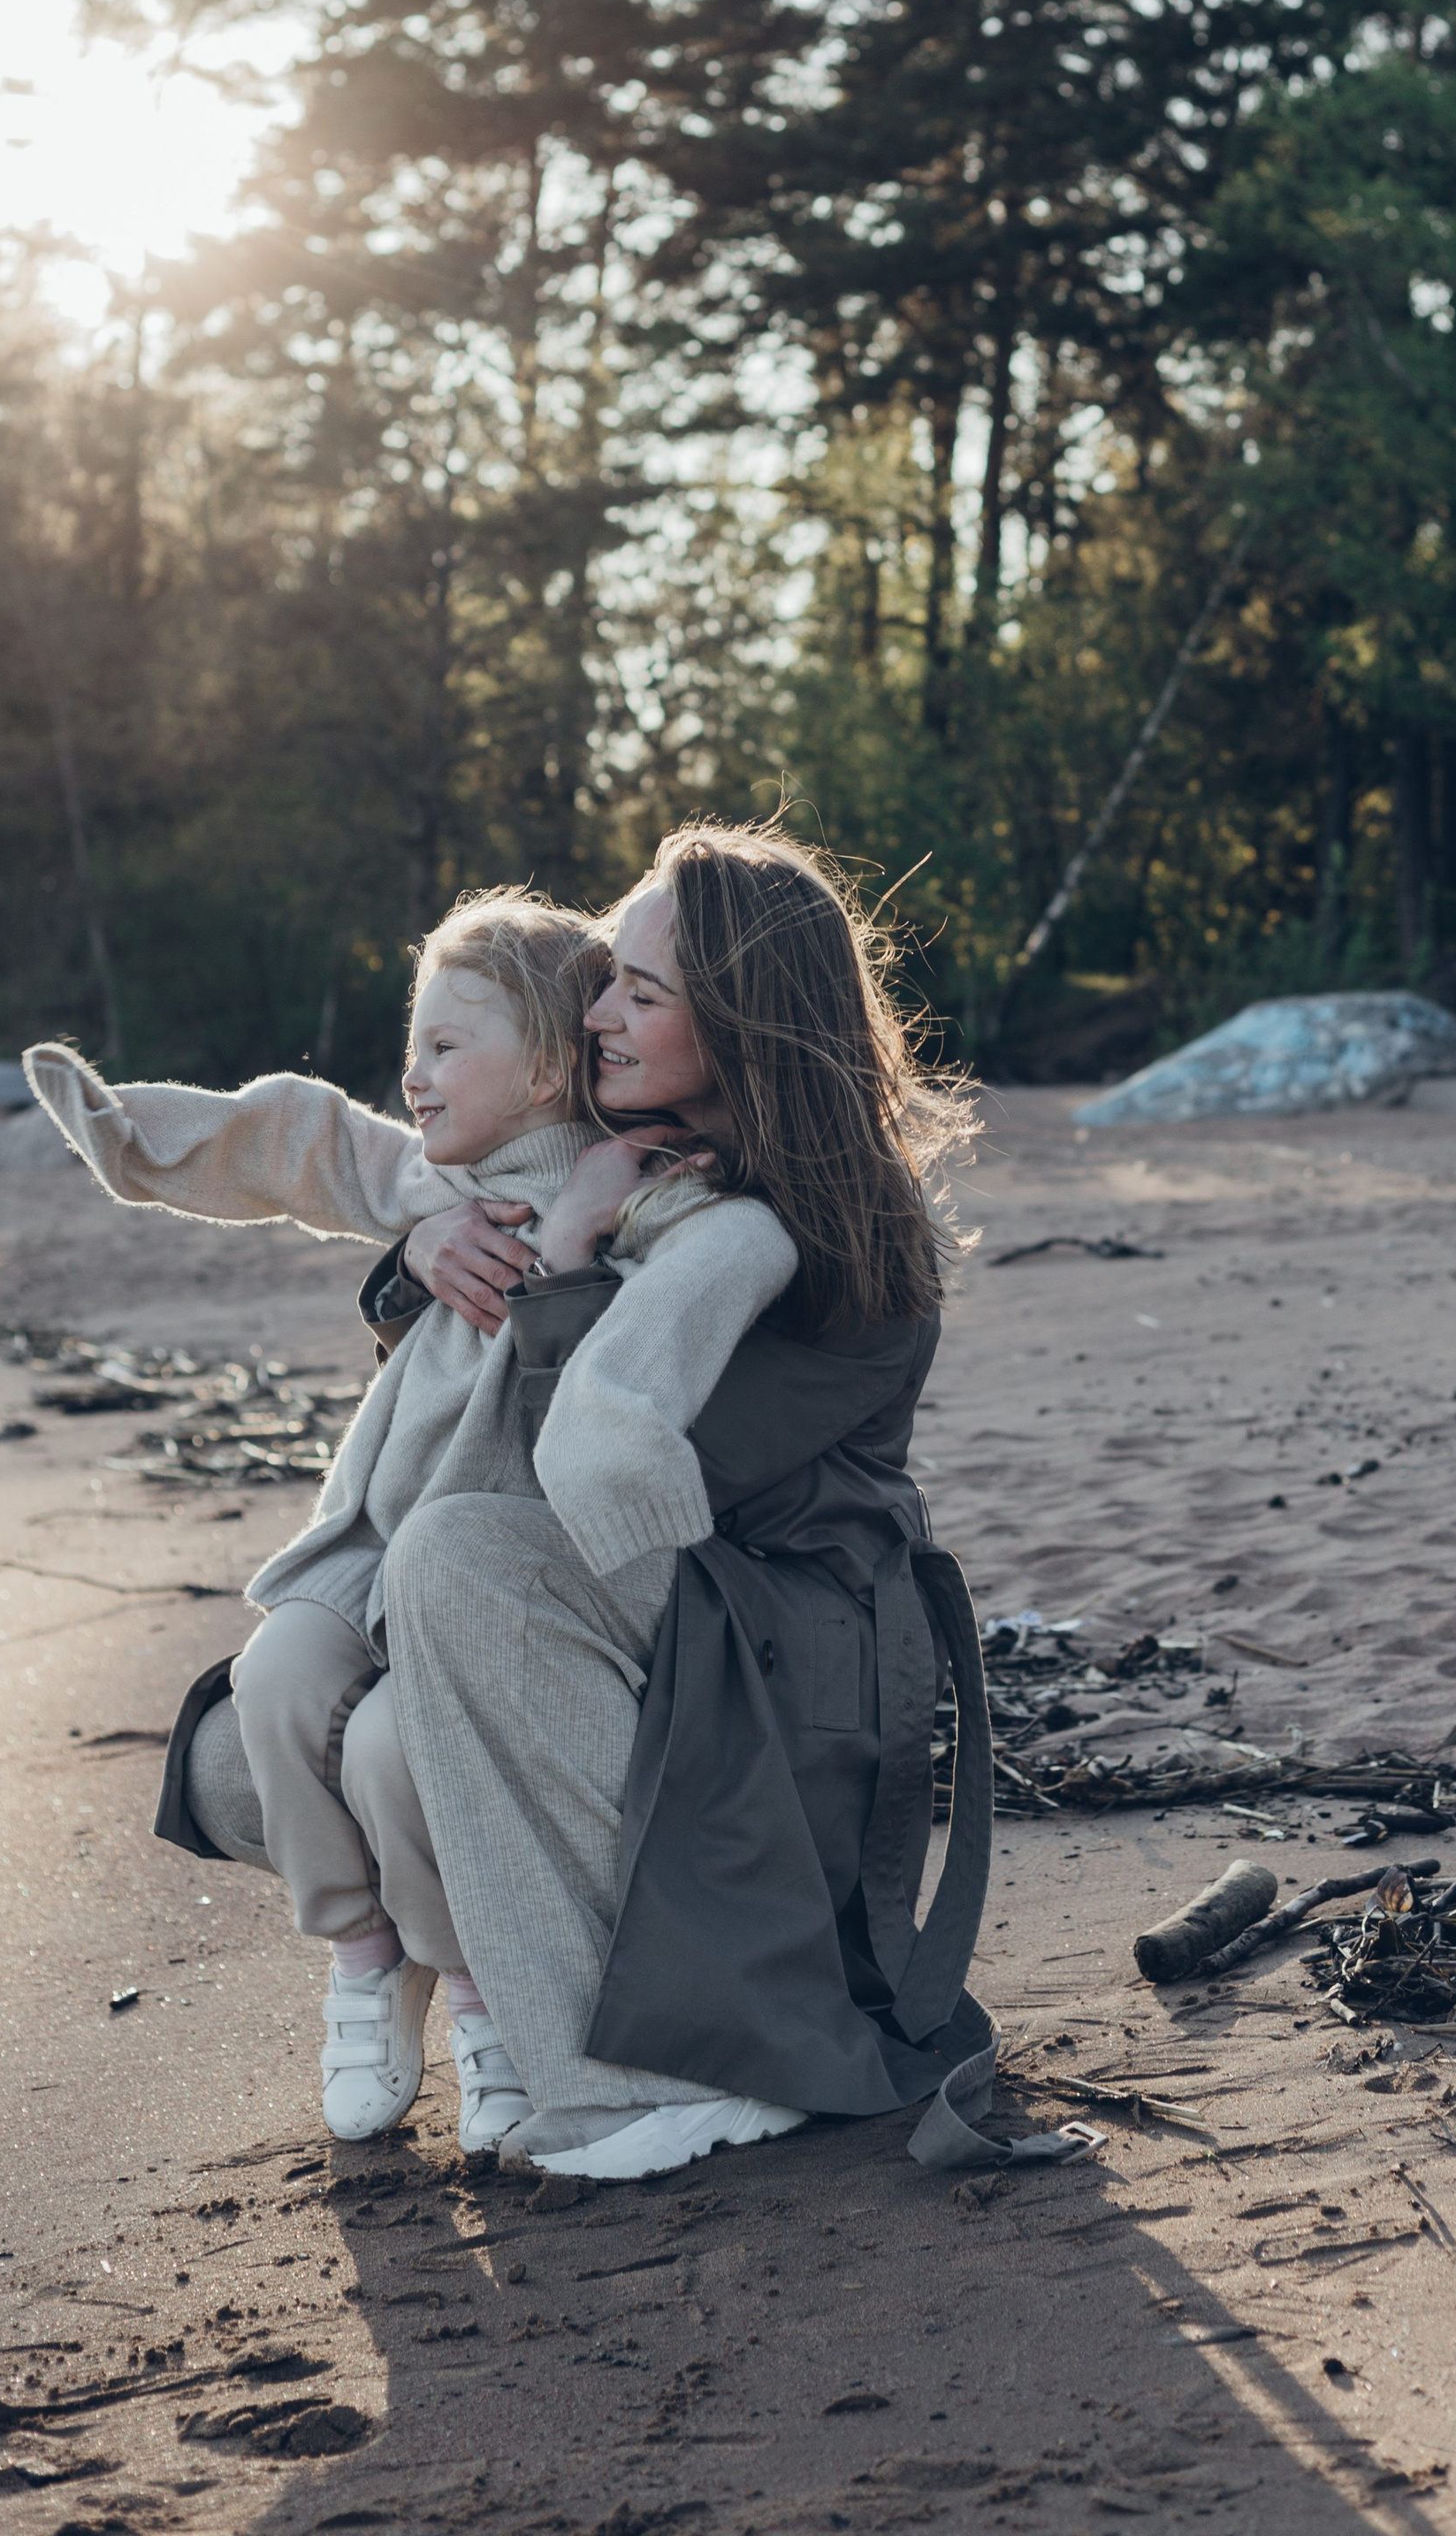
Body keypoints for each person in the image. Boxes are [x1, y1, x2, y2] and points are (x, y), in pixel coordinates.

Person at [331, 821, 995, 2181]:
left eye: (642, 991)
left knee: (460, 1560)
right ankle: (537, 2044)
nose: (600, 1013)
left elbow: (637, 1478)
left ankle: (661, 2075)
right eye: (606, 979)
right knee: (334, 1700)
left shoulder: (832, 1237)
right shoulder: (641, 1155)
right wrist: (418, 1258)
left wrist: (567, 1253)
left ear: (744, 1020)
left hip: (792, 1647)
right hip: (689, 1607)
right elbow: (462, 1297)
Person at [25, 889, 714, 2153]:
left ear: (553, 1061)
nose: (416, 1074)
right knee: (276, 1675)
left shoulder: (631, 1187)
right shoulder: (425, 1178)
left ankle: (476, 1988)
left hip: (509, 1571)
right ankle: (361, 1957)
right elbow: (297, 1137)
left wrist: (607, 1210)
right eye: (417, 1045)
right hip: (377, 1546)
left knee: (403, 1751)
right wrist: (126, 1136)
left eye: (449, 1047)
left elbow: (715, 1264)